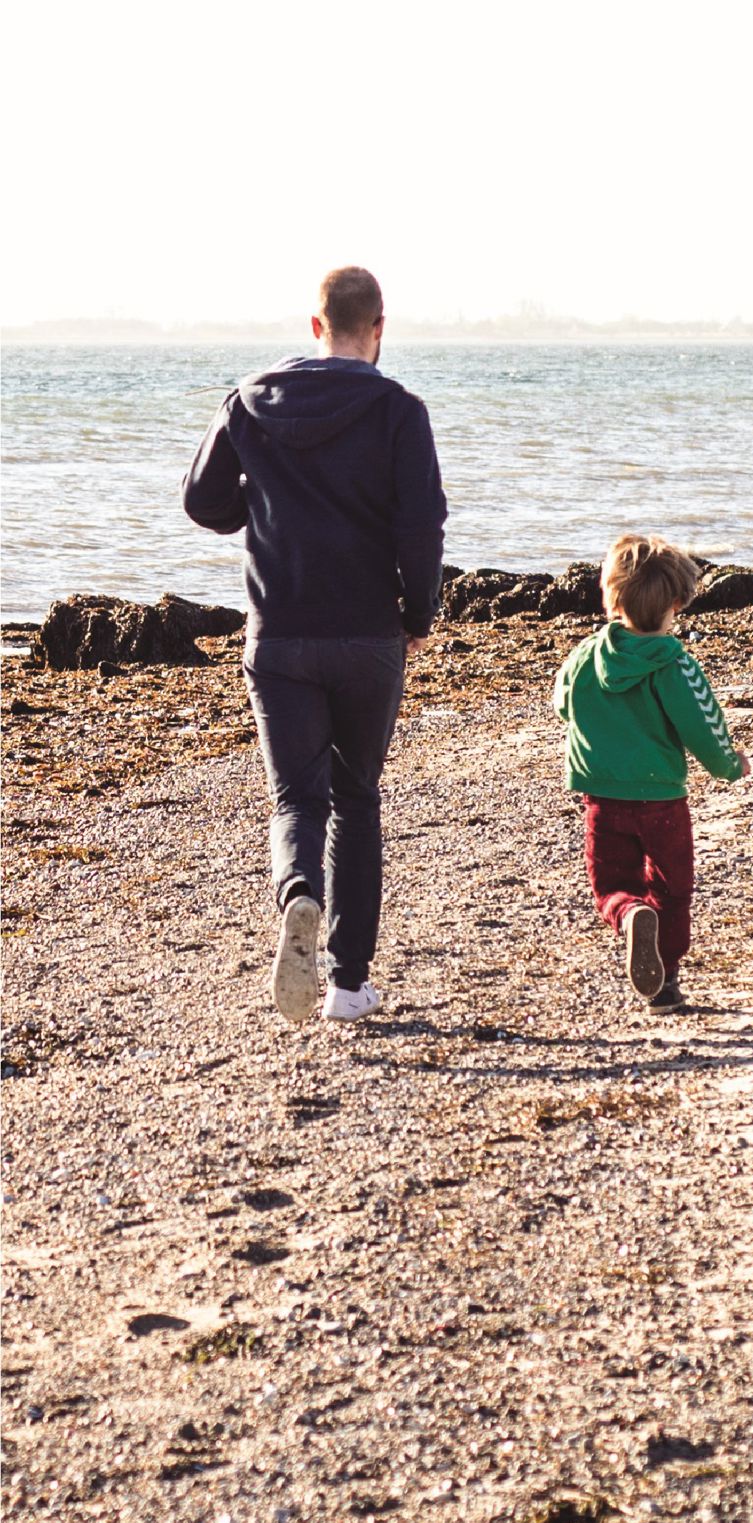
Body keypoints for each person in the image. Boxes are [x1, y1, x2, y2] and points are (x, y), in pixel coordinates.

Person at [182, 266, 447, 1024]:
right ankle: (347, 985)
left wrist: (260, 507)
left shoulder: (249, 400)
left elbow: (202, 501)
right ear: (379, 328)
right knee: (357, 800)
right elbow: (420, 527)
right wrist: (419, 616)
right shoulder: (399, 410)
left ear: (314, 325)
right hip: (369, 636)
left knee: (297, 799)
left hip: (279, 636)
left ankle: (299, 895)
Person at [553, 535, 749, 1012]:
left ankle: (628, 914)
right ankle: (665, 983)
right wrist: (728, 765)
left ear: (610, 597)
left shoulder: (583, 658)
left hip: (601, 798)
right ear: (678, 603)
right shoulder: (674, 664)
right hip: (662, 798)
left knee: (611, 884)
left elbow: (562, 705)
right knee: (672, 887)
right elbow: (703, 725)